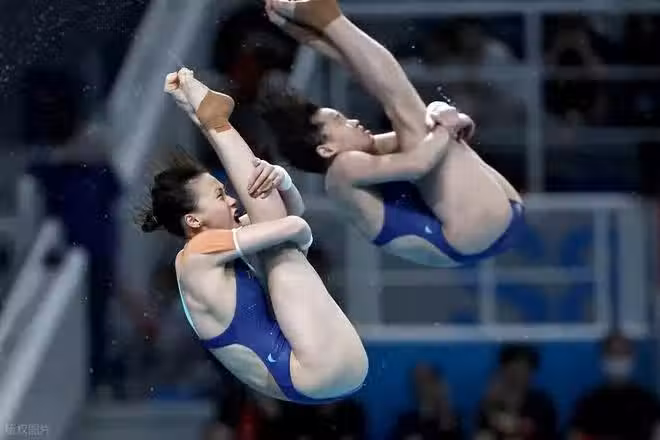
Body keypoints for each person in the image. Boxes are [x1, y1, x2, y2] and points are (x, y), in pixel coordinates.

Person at [138, 68, 367, 403]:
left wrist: (282, 180)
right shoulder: (196, 253)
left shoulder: (214, 248)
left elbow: (292, 214)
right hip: (310, 370)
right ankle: (214, 121)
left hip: (324, 375)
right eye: (220, 195)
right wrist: (299, 232)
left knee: (277, 236)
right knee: (280, 249)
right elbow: (293, 225)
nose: (231, 199)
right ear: (193, 220)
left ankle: (210, 118)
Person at [260, 0, 524, 268]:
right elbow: (419, 161)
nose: (352, 121)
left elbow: (383, 88)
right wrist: (445, 122)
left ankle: (327, 22)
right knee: (407, 110)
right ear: (326, 148)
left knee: (412, 116)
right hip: (469, 233)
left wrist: (313, 40)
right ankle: (331, 20)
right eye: (340, 121)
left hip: (490, 221)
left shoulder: (360, 159)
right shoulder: (343, 169)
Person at [568, 331, 660, 440]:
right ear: (603, 358)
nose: (618, 359)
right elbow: (574, 435)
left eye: (623, 353)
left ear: (633, 357)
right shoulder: (588, 403)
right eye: (613, 353)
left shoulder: (648, 402)